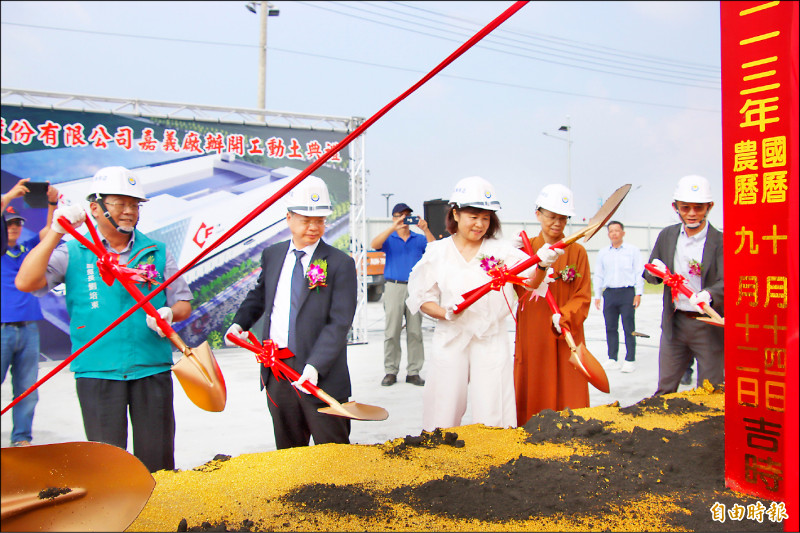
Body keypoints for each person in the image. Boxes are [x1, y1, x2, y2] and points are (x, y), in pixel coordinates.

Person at [15, 166, 193, 472]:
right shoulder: (74, 251)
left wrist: (169, 313)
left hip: (151, 368)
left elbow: (184, 302)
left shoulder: (157, 251)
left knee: (159, 463)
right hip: (98, 370)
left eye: (134, 205)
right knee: (109, 467)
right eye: (120, 203)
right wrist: (56, 230)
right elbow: (26, 282)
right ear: (95, 208)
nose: (129, 212)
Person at [225, 176, 357, 450]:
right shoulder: (273, 255)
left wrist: (315, 365)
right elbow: (261, 295)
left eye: (320, 220)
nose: (313, 226)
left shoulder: (339, 263)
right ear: (288, 218)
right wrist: (240, 323)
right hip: (277, 371)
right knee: (288, 453)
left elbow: (339, 322)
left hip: (320, 373)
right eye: (306, 219)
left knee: (333, 454)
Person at [406, 176, 544, 432]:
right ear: (455, 214)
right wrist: (445, 313)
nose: (480, 224)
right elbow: (423, 298)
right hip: (450, 337)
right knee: (443, 407)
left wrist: (543, 264)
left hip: (490, 338)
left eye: (486, 217)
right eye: (473, 216)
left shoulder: (502, 251)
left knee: (493, 409)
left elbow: (532, 282)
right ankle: (439, 457)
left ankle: (494, 462)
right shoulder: (438, 252)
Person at [513, 183, 592, 426]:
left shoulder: (577, 251)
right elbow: (518, 287)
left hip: (566, 328)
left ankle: (573, 430)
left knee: (570, 382)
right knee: (535, 377)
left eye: (563, 218)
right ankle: (531, 427)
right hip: (534, 327)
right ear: (538, 214)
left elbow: (583, 294)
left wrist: (566, 316)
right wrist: (513, 260)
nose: (557, 223)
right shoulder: (524, 249)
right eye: (552, 216)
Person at [642, 174, 724, 396]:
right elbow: (650, 274)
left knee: (711, 390)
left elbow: (728, 280)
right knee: (665, 388)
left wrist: (709, 294)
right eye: (685, 207)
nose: (691, 213)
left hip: (707, 324)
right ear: (675, 206)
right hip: (675, 322)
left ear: (709, 207)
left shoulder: (720, 241)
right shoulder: (668, 235)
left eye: (698, 208)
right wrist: (656, 272)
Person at [1, 179, 59, 447]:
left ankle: (21, 438)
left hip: (28, 329)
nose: (13, 228)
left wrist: (52, 204)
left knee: (27, 389)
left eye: (17, 223)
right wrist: (11, 195)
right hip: (1, 330)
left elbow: (50, 232)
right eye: (8, 223)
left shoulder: (27, 250)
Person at [370, 202, 435, 387]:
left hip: (415, 287)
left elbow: (435, 250)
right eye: (399, 215)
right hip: (394, 287)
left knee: (415, 331)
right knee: (391, 331)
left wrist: (426, 229)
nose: (403, 219)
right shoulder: (389, 239)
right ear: (393, 217)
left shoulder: (419, 238)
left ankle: (413, 372)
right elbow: (374, 244)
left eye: (407, 215)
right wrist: (393, 227)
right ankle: (390, 370)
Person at [592, 220, 644, 373]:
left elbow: (638, 272)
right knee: (610, 327)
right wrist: (597, 295)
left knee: (629, 327)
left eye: (617, 230)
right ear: (608, 234)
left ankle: (630, 359)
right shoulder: (603, 253)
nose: (614, 233)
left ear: (623, 233)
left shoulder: (632, 250)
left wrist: (638, 293)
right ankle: (612, 358)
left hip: (627, 293)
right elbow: (599, 274)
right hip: (609, 293)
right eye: (611, 231)